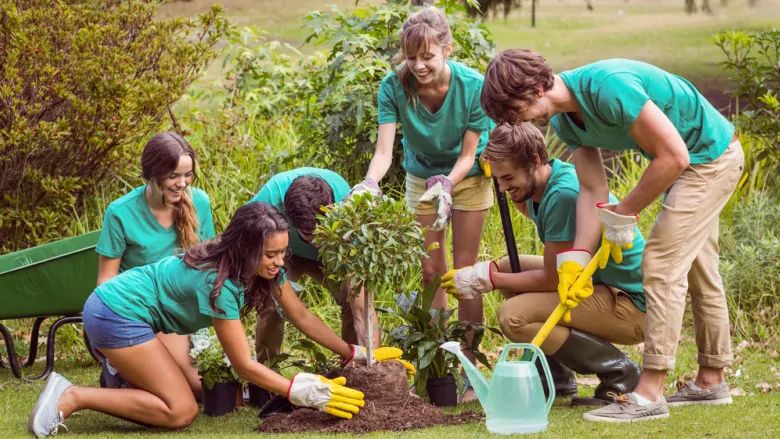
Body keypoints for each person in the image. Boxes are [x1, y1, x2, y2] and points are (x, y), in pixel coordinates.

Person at [480, 50, 743, 422]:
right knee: (701, 272)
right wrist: (577, 258)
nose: (516, 121)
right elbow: (592, 188)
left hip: (711, 158)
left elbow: (674, 156)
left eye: (514, 110)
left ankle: (649, 393)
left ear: (535, 90)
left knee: (661, 264)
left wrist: (625, 211)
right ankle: (711, 380)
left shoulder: (608, 88)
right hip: (689, 162)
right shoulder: (567, 122)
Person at [28, 202, 408, 438]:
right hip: (116, 313)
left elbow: (301, 315)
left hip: (150, 316)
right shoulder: (220, 284)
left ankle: (123, 371)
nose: (280, 263)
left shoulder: (260, 268)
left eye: (283, 253)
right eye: (271, 254)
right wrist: (299, 390)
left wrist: (353, 352)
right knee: (181, 411)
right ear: (246, 247)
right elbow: (244, 364)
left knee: (199, 388)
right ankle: (73, 396)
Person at [442, 122, 645, 405]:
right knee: (507, 267)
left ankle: (621, 372)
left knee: (512, 316)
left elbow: (553, 279)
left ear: (535, 161)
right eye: (498, 179)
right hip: (597, 282)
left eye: (508, 177)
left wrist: (485, 279)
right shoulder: (542, 183)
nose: (502, 187)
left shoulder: (562, 195)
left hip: (631, 304)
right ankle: (556, 378)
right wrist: (507, 179)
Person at [350, 6, 494, 402]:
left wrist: (448, 183)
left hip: (467, 178)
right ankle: (438, 364)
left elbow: (468, 154)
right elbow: (384, 152)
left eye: (427, 56)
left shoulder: (473, 86)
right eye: (411, 57)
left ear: (448, 49)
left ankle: (470, 369)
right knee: (431, 271)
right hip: (420, 179)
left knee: (465, 273)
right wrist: (368, 183)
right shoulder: (393, 86)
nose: (418, 66)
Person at [95, 131, 215, 394]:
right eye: (173, 176)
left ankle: (136, 373)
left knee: (208, 387)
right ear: (152, 174)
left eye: (187, 175)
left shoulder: (200, 203)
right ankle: (119, 365)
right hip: (142, 309)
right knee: (192, 387)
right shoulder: (120, 212)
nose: (181, 183)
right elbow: (105, 282)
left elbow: (207, 268)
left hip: (182, 310)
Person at [246, 167, 380, 373]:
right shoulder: (271, 197)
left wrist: (375, 361)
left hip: (333, 253)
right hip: (285, 253)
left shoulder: (347, 205)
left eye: (322, 230)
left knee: (352, 299)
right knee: (270, 303)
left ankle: (357, 369)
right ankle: (266, 371)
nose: (317, 240)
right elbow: (240, 238)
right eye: (311, 234)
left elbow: (363, 308)